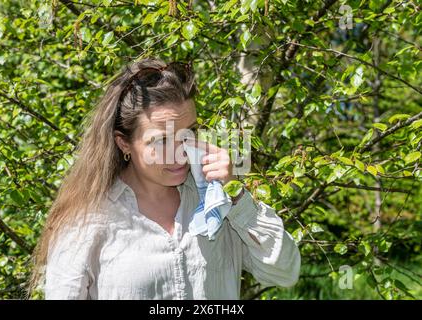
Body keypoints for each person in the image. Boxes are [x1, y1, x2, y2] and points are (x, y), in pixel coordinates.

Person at [29, 58, 301, 299]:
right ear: (124, 143)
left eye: (189, 132)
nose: (180, 153)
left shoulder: (217, 202)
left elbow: (285, 272)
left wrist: (237, 194)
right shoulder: (87, 221)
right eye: (160, 141)